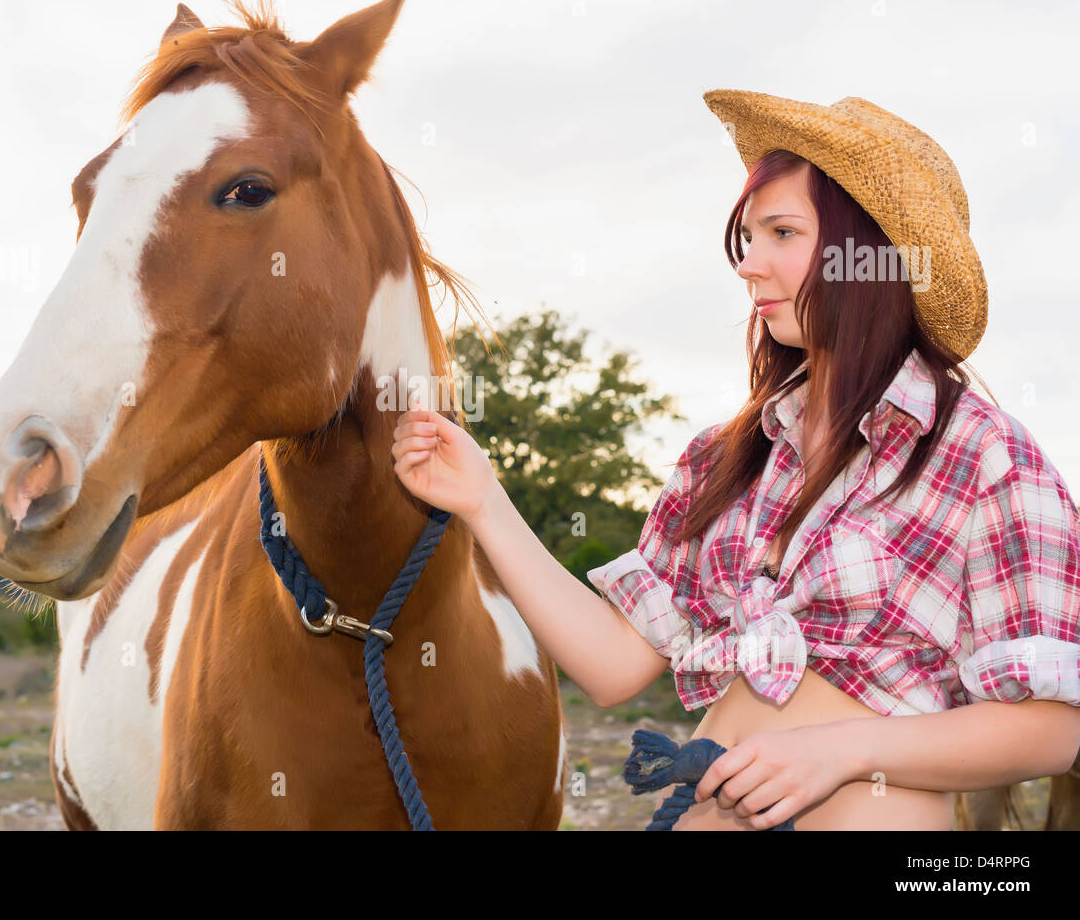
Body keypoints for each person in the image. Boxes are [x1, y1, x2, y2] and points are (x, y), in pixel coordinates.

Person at [390, 89, 1080, 831]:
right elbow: (614, 665)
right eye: (747, 238)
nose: (749, 264)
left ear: (869, 254)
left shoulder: (985, 455)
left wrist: (841, 751)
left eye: (782, 232)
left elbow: (1051, 729)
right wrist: (485, 502)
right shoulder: (725, 460)